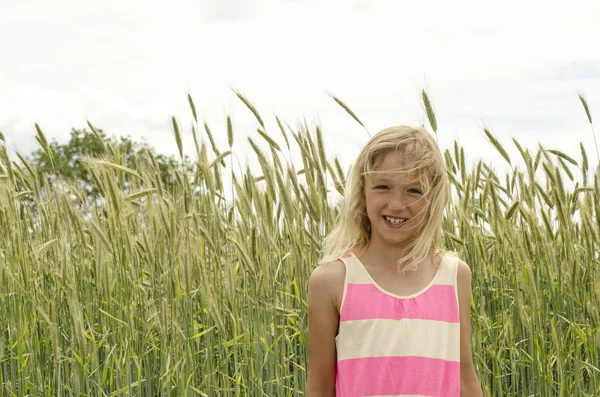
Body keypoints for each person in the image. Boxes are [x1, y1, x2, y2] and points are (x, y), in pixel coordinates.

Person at [305, 125, 483, 396]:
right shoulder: (332, 281)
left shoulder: (455, 276)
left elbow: (465, 379)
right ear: (362, 192)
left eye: (413, 190)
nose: (397, 204)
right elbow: (319, 387)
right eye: (383, 187)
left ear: (434, 197)